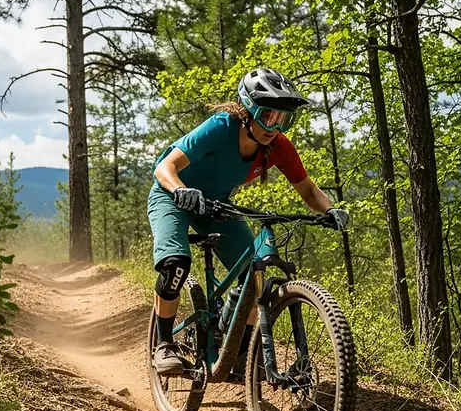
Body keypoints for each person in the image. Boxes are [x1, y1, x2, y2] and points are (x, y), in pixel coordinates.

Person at [148, 67, 349, 376]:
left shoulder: (278, 147)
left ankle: (234, 350)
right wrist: (181, 190)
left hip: (215, 206)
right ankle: (164, 345)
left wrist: (330, 210)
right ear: (248, 109)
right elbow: (165, 167)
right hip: (171, 195)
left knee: (254, 278)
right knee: (176, 263)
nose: (274, 125)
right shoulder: (221, 127)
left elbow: (308, 189)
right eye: (268, 115)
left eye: (283, 119)